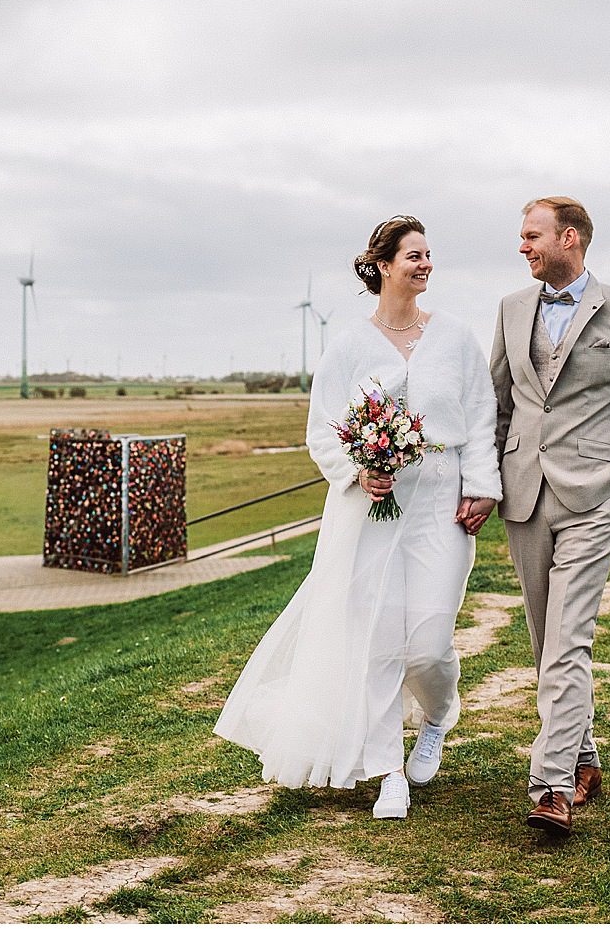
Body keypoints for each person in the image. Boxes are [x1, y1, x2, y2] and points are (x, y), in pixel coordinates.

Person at [216, 215, 502, 819]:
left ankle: (438, 715)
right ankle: (387, 771)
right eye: (413, 256)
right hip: (371, 508)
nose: (425, 264)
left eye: (428, 254)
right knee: (377, 642)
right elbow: (322, 428)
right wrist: (357, 471)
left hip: (441, 501)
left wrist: (482, 486)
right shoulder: (348, 345)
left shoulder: (455, 337)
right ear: (383, 266)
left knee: (428, 643)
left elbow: (481, 415)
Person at [492, 196, 610, 838]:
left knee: (569, 639)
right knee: (547, 641)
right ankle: (585, 759)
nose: (522, 246)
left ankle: (551, 785)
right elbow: (499, 405)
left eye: (531, 235)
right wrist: (488, 482)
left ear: (568, 238)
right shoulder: (511, 308)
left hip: (594, 499)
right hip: (523, 496)